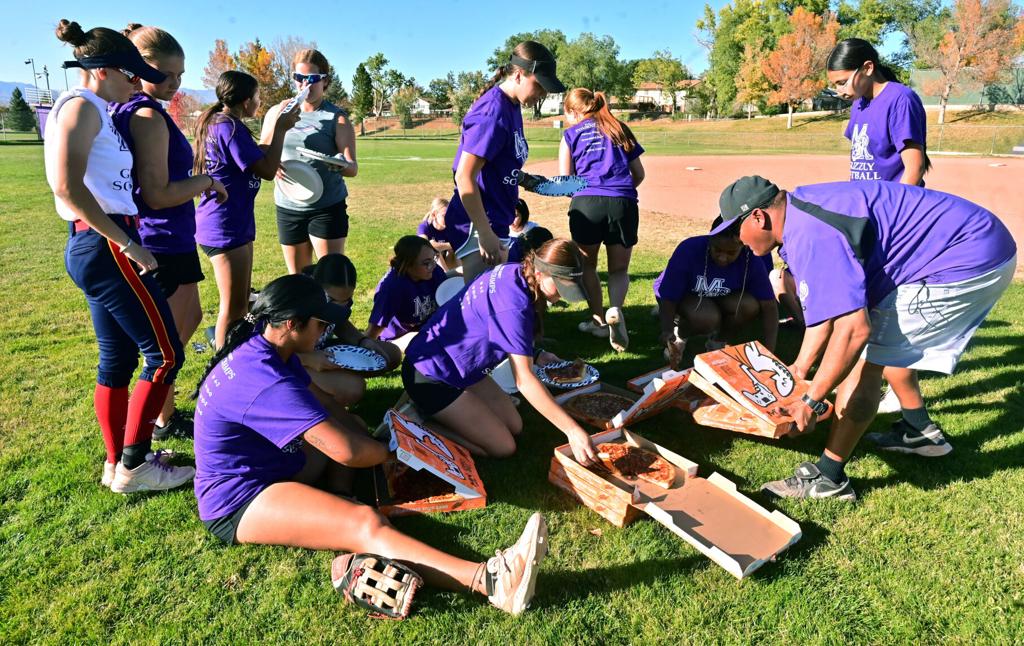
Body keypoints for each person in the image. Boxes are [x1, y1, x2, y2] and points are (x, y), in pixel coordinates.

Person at [191, 273, 548, 615]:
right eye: (320, 324)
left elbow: (327, 406)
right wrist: (390, 451)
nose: (326, 332)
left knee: (356, 426)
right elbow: (348, 451)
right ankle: (492, 581)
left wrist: (374, 439)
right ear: (290, 324)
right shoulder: (267, 380)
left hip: (272, 466)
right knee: (364, 522)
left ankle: (337, 497)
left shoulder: (268, 349)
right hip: (240, 500)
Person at [710, 176, 1015, 501]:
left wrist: (812, 401)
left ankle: (829, 479)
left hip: (967, 258)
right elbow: (826, 316)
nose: (738, 240)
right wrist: (798, 370)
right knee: (888, 345)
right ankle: (919, 431)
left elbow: (854, 330)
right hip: (972, 244)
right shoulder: (799, 219)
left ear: (758, 216)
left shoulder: (812, 235)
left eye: (736, 230)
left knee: (867, 361)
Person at [45, 18, 194, 492]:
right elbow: (65, 185)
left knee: (116, 361)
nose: (138, 83)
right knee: (165, 354)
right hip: (105, 242)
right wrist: (127, 242)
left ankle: (118, 462)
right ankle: (135, 464)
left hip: (94, 241)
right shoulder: (83, 106)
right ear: (104, 70)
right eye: (131, 74)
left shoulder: (92, 107)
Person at [111, 24, 228, 440]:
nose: (173, 83)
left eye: (180, 75)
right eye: (163, 73)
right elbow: (157, 194)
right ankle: (157, 416)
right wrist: (207, 183)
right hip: (159, 237)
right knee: (164, 344)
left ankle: (161, 410)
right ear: (134, 69)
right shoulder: (144, 114)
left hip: (168, 236)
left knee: (182, 324)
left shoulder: (138, 109)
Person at [401, 238, 600, 465]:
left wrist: (535, 354)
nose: (562, 295)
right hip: (429, 375)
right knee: (502, 447)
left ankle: (446, 414)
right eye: (561, 286)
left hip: (460, 367)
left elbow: (498, 326)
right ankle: (417, 424)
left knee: (515, 425)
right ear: (542, 272)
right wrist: (572, 430)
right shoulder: (515, 305)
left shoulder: (515, 272)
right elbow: (524, 380)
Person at [827, 37, 932, 417]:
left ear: (867, 68)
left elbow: (914, 165)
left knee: (886, 314)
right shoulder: (860, 104)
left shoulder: (900, 98)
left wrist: (897, 218)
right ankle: (893, 392)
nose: (838, 91)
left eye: (841, 82)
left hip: (893, 221)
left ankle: (900, 399)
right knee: (871, 309)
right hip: (865, 217)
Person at [442, 41, 565, 285]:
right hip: (477, 224)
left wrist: (526, 180)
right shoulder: (493, 111)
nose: (543, 93)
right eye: (539, 85)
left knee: (490, 298)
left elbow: (498, 164)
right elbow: (464, 176)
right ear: (519, 75)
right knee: (481, 304)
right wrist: (484, 234)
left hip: (494, 219)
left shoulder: (512, 106)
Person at [193, 70, 299, 349]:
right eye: (257, 96)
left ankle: (233, 354)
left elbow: (256, 156)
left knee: (241, 302)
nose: (259, 101)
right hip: (224, 225)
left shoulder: (221, 122)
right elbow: (265, 170)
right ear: (244, 100)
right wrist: (281, 129)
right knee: (235, 305)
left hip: (231, 222)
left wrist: (276, 126)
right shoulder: (227, 126)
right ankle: (221, 365)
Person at [559, 88, 645, 353]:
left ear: (573, 112)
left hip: (587, 203)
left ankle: (598, 320)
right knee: (619, 270)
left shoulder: (570, 135)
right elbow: (638, 174)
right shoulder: (619, 128)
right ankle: (615, 309)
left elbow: (566, 181)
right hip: (623, 202)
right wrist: (622, 192)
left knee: (588, 267)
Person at [261, 49, 358, 274]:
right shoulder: (278, 111)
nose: (305, 84)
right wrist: (271, 164)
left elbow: (352, 168)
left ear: (325, 81)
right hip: (288, 206)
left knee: (329, 278)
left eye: (312, 79)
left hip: (326, 207)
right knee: (298, 282)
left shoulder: (336, 117)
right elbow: (262, 152)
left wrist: (340, 165)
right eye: (299, 78)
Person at [653, 219, 778, 370]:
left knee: (749, 306)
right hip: (687, 297)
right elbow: (668, 295)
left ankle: (718, 342)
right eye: (717, 250)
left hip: (720, 297)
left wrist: (769, 354)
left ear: (742, 245)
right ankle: (681, 335)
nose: (722, 257)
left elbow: (769, 305)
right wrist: (666, 328)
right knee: (707, 318)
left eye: (731, 253)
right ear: (710, 240)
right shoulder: (689, 249)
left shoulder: (751, 257)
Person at [299, 254, 401, 411]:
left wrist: (362, 341)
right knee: (353, 388)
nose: (340, 307)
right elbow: (266, 353)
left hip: (321, 351)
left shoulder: (329, 296)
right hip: (291, 362)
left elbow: (339, 322)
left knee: (391, 354)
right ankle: (317, 409)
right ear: (316, 285)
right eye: (332, 300)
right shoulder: (295, 300)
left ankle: (332, 385)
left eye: (347, 301)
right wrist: (307, 359)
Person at [366, 236, 447, 351]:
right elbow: (373, 331)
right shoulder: (392, 287)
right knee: (431, 338)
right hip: (397, 337)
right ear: (407, 265)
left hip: (424, 326)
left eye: (434, 258)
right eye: (426, 263)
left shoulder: (434, 272)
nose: (433, 265)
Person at [417, 197, 459, 272]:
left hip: (447, 262)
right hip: (428, 265)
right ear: (434, 215)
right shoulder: (424, 226)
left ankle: (458, 276)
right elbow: (423, 245)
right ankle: (446, 276)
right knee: (434, 250)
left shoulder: (451, 227)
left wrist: (449, 246)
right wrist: (451, 244)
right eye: (444, 216)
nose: (448, 219)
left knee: (457, 250)